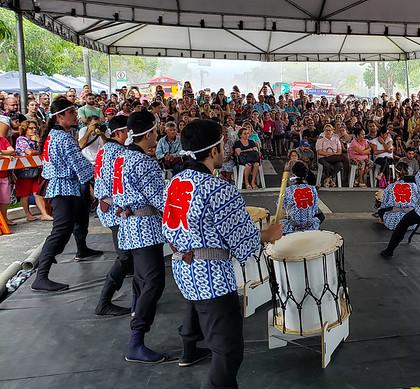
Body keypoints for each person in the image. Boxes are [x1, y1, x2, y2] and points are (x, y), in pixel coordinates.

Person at [163, 119, 283, 388]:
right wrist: (269, 234)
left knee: (196, 311)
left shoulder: (176, 181)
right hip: (212, 278)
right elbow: (244, 241)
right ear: (214, 150)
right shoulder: (219, 189)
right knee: (228, 350)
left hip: (183, 270)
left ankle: (188, 350)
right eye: (222, 143)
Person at [112, 111, 168, 363]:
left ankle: (137, 322)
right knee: (154, 282)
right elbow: (161, 200)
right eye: (155, 132)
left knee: (140, 280)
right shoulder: (145, 162)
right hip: (145, 229)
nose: (157, 135)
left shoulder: (120, 158)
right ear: (147, 134)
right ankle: (136, 341)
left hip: (127, 226)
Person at [33, 97, 98, 292]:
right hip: (62, 188)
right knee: (61, 231)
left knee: (79, 217)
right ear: (60, 116)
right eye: (71, 113)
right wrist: (101, 175)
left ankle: (82, 248)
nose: (76, 116)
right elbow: (79, 164)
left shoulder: (60, 134)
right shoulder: (62, 138)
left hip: (67, 186)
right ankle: (41, 276)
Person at [92, 116, 133, 316]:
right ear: (118, 133)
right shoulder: (118, 153)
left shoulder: (104, 150)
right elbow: (117, 186)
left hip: (107, 206)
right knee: (125, 257)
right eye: (128, 132)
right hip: (115, 209)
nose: (130, 136)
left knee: (128, 256)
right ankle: (104, 301)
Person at [14, 120, 51, 222]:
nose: (34, 130)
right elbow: (29, 152)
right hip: (24, 171)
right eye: (31, 128)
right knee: (25, 194)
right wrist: (38, 151)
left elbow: (45, 149)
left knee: (37, 191)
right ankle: (27, 214)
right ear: (25, 129)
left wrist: (38, 141)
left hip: (36, 170)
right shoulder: (21, 140)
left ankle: (44, 213)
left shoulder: (36, 140)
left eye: (35, 128)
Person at [279, 161, 322, 234]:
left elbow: (280, 207)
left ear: (293, 175)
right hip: (310, 226)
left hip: (293, 226)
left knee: (280, 221)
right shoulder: (313, 189)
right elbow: (315, 210)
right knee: (320, 216)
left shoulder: (288, 190)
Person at [377, 162, 419, 230]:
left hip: (393, 223)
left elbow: (384, 204)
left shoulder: (390, 186)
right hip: (410, 223)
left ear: (396, 173)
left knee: (381, 210)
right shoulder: (414, 186)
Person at [315, 123, 344, 188]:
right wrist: (328, 154)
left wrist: (331, 154)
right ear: (324, 131)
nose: (328, 132)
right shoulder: (320, 140)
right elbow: (319, 152)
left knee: (340, 165)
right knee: (327, 165)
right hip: (323, 158)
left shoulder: (336, 140)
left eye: (329, 130)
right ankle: (330, 180)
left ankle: (328, 179)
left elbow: (339, 152)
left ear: (332, 131)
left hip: (333, 158)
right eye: (326, 130)